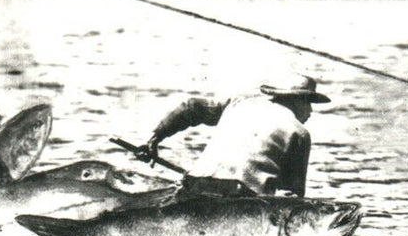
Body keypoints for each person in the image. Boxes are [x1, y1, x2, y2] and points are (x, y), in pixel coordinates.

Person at [141, 73, 329, 198]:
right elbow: (293, 196)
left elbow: (191, 107)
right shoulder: (299, 133)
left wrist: (155, 138)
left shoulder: (239, 103)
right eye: (309, 102)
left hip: (193, 185)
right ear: (297, 100)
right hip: (240, 201)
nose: (310, 111)